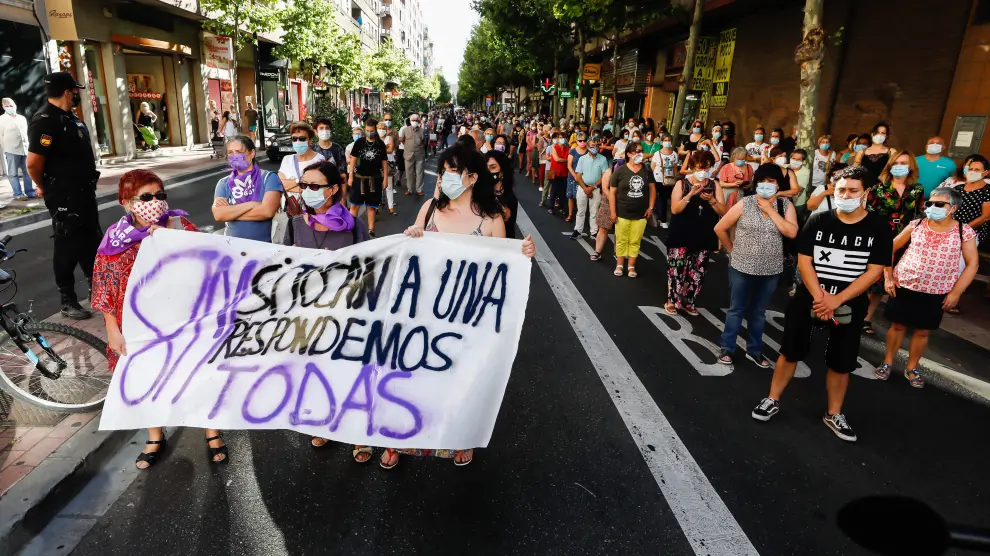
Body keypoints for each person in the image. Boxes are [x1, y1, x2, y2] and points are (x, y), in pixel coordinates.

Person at [385, 143, 536, 469]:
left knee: (460, 380)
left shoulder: (491, 219)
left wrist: (521, 253)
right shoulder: (429, 209)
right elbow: (409, 254)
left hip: (468, 318)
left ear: (472, 177)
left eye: (452, 171)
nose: (445, 178)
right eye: (443, 171)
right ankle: (399, 438)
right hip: (424, 313)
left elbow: (501, 269)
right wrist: (411, 235)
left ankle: (460, 438)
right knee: (414, 376)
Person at [91, 169, 227, 469]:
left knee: (200, 374)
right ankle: (155, 436)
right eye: (146, 197)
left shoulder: (180, 225)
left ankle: (212, 431)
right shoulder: (114, 239)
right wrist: (112, 329)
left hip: (184, 320)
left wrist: (173, 240)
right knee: (145, 379)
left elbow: (210, 263)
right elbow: (105, 286)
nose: (155, 202)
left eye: (160, 195)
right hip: (139, 327)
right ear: (127, 202)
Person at [751, 165, 892, 443]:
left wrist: (837, 299)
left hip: (850, 301)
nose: (846, 195)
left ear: (865, 193)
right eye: (841, 190)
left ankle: (834, 413)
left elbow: (874, 270)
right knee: (790, 350)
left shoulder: (878, 227)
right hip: (811, 297)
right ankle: (772, 398)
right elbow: (805, 261)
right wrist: (820, 297)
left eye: (853, 190)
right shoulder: (818, 220)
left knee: (842, 361)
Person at [281, 161, 372, 457]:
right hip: (308, 316)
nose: (307, 191)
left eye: (314, 186)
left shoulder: (355, 227)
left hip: (346, 314)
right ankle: (324, 423)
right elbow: (281, 270)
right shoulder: (294, 225)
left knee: (350, 373)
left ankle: (358, 434)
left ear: (333, 189)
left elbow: (369, 270)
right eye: (303, 185)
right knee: (317, 373)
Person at [876, 187, 979, 388]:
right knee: (897, 326)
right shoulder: (916, 224)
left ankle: (912, 367)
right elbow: (889, 248)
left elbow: (972, 264)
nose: (932, 207)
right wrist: (888, 276)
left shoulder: (964, 231)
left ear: (953, 208)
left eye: (939, 204)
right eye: (930, 203)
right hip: (904, 285)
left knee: (923, 331)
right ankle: (887, 362)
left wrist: (956, 292)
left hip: (937, 291)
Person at [26, 72, 102, 320]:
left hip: (83, 192)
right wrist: (44, 186)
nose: (77, 95)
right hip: (64, 195)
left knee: (91, 240)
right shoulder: (45, 121)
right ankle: (67, 300)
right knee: (68, 244)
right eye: (75, 91)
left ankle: (97, 290)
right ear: (68, 92)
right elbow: (33, 163)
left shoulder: (71, 119)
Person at [714, 163, 799, 367]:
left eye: (771, 181)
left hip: (771, 269)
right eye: (762, 181)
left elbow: (791, 232)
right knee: (736, 309)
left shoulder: (785, 206)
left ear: (778, 184)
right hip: (741, 267)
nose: (766, 185)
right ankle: (727, 348)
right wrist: (731, 250)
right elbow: (720, 227)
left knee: (759, 312)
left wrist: (771, 210)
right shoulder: (746, 203)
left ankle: (755, 350)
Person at [861, 150, 925, 335]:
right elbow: (868, 215)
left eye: (904, 163)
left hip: (905, 239)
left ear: (911, 167)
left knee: (885, 283)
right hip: (880, 238)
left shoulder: (917, 189)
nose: (899, 167)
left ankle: (867, 319)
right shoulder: (878, 189)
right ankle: (856, 314)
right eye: (896, 163)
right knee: (871, 279)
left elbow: (919, 214)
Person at [665, 151, 725, 314]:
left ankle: (689, 300)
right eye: (699, 168)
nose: (702, 171)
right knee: (677, 269)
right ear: (692, 167)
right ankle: (672, 301)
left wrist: (712, 200)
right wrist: (690, 194)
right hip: (681, 234)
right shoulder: (682, 184)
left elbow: (723, 211)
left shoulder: (714, 185)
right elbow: (675, 209)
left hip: (704, 234)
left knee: (698, 271)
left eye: (706, 168)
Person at [212, 135, 283, 242]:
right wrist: (252, 205)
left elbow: (267, 212)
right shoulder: (223, 183)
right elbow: (219, 215)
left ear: (252, 153)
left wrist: (230, 213)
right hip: (232, 244)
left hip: (264, 245)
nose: (234, 156)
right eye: (230, 152)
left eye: (239, 152)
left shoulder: (269, 178)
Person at [609, 141, 656, 278]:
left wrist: (651, 207)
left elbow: (653, 189)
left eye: (641, 151)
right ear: (629, 154)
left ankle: (631, 266)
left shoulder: (647, 170)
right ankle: (619, 264)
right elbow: (612, 192)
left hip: (641, 213)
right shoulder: (620, 170)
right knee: (621, 239)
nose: (639, 154)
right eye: (636, 151)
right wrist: (613, 212)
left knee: (635, 240)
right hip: (622, 211)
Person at [347, 118, 389, 236]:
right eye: (367, 130)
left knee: (371, 207)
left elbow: (384, 162)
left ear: (375, 130)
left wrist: (385, 178)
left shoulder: (380, 144)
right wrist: (350, 176)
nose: (369, 133)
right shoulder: (359, 142)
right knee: (354, 205)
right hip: (358, 178)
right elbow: (353, 159)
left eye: (371, 131)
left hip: (374, 179)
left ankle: (371, 229)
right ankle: (351, 228)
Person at [277, 122, 325, 213]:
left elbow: (318, 189)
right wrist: (299, 181)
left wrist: (290, 186)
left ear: (310, 140)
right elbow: (279, 185)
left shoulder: (319, 160)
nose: (298, 142)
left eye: (302, 139)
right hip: (292, 210)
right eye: (294, 139)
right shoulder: (287, 159)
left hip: (314, 211)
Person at [570, 135, 608, 240]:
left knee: (594, 211)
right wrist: (585, 188)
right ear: (587, 146)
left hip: (595, 189)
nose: (595, 148)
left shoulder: (603, 159)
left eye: (597, 146)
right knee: (580, 210)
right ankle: (578, 230)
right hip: (582, 188)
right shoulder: (582, 159)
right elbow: (578, 176)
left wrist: (592, 187)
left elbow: (604, 176)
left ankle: (594, 232)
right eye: (592, 146)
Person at [952, 154, 990, 247]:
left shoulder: (987, 190)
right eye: (970, 169)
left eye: (977, 170)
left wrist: (962, 230)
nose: (972, 172)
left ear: (985, 173)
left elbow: (986, 217)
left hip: (973, 231)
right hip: (953, 229)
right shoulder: (958, 188)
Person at [0, 98, 34, 200]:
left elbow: (25, 133)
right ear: (3, 107)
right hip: (11, 150)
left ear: (15, 105)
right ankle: (18, 194)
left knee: (28, 171)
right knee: (13, 173)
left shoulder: (22, 118)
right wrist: (7, 147)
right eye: (7, 106)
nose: (10, 108)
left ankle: (30, 192)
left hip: (25, 148)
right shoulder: (1, 120)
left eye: (11, 105)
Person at [486, 150, 518, 237]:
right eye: (486, 168)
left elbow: (508, 226)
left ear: (502, 170)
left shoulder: (510, 199)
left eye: (493, 167)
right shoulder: (478, 192)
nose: (488, 172)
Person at [652, 134, 681, 227]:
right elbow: (652, 167)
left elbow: (675, 168)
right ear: (662, 141)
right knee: (660, 199)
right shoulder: (657, 154)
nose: (667, 142)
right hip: (658, 179)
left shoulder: (674, 154)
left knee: (667, 200)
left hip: (669, 180)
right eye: (665, 140)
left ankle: (663, 219)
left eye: (669, 140)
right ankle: (661, 219)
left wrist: (675, 180)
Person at [853, 122, 892, 187]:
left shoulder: (891, 152)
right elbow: (854, 172)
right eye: (877, 132)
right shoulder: (861, 153)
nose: (879, 135)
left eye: (883, 133)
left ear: (886, 136)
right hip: (864, 189)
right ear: (872, 134)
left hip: (884, 189)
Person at [312, 116, 347, 186]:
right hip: (315, 187)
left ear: (330, 130)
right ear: (315, 131)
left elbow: (343, 174)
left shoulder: (337, 149)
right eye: (321, 128)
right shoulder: (312, 149)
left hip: (334, 187)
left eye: (327, 128)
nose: (324, 131)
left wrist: (343, 192)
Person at [565, 132, 590, 223]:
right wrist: (575, 175)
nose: (582, 142)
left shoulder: (589, 152)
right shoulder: (573, 151)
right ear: (577, 141)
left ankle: (581, 215)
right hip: (573, 177)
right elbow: (569, 165)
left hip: (585, 178)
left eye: (584, 140)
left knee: (582, 198)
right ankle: (570, 214)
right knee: (571, 196)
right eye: (580, 141)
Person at [400, 113, 426, 196]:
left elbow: (424, 142)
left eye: (416, 120)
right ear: (410, 121)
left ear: (418, 121)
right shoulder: (405, 130)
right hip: (408, 155)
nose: (414, 122)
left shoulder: (422, 131)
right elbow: (402, 140)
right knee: (409, 173)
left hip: (419, 155)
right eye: (413, 120)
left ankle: (419, 190)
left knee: (419, 173)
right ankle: (409, 189)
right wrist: (408, 147)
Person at [376, 119, 398, 215]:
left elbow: (390, 150)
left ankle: (391, 207)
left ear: (386, 130)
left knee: (389, 186)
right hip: (376, 165)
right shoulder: (375, 139)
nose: (381, 130)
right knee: (377, 186)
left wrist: (380, 149)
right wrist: (385, 147)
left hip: (389, 164)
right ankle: (376, 206)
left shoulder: (390, 138)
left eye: (383, 128)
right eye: (379, 128)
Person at [548, 131, 569, 214]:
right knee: (554, 190)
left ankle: (561, 207)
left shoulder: (568, 148)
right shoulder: (554, 147)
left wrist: (563, 160)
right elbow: (556, 159)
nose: (562, 139)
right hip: (555, 172)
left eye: (563, 138)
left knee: (563, 192)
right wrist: (566, 160)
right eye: (560, 138)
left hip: (564, 172)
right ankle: (551, 207)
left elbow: (566, 159)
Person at [811, 135, 837, 200]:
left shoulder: (832, 154)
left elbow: (832, 167)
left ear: (830, 144)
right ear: (819, 143)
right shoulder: (814, 153)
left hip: (824, 183)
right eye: (823, 142)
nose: (825, 144)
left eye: (827, 142)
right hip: (812, 183)